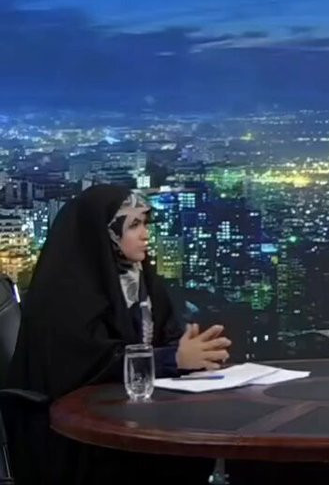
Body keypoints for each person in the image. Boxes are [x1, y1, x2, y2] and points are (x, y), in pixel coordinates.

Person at [5, 184, 231, 485]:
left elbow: (166, 337)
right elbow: (91, 365)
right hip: (75, 438)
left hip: (135, 418)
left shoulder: (140, 279)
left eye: (145, 223)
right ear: (104, 234)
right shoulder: (65, 294)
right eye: (134, 225)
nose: (145, 234)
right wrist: (171, 359)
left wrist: (193, 353)